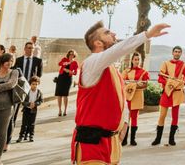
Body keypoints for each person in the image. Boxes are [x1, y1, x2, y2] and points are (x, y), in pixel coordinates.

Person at [71, 21, 169, 165]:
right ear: (98, 43)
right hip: (92, 143)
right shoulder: (92, 63)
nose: (114, 34)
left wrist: (124, 123)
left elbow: (120, 99)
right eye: (107, 33)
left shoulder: (112, 70)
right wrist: (147, 35)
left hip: (111, 142)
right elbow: (118, 50)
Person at [152, 46, 185, 147]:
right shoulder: (166, 63)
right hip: (167, 92)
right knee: (162, 116)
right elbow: (160, 78)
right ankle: (158, 138)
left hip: (177, 93)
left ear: (181, 53)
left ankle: (171, 139)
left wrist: (180, 82)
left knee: (175, 117)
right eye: (175, 51)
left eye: (179, 52)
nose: (177, 53)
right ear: (172, 53)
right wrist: (170, 83)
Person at [121, 52, 149, 146]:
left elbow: (145, 85)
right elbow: (122, 83)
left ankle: (133, 139)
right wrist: (136, 84)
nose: (137, 61)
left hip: (137, 96)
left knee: (134, 118)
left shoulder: (144, 72)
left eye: (138, 59)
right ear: (132, 60)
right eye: (135, 59)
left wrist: (131, 84)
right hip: (128, 96)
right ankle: (124, 139)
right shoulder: (126, 71)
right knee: (126, 118)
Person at [0, 53, 18, 164]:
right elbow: (6, 85)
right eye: (8, 60)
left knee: (2, 133)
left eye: (12, 61)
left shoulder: (14, 72)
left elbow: (11, 84)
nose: (10, 63)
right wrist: (2, 87)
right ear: (2, 61)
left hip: (7, 107)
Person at [16, 76, 43, 142]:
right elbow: (23, 101)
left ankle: (31, 136)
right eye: (33, 84)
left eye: (36, 84)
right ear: (30, 84)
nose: (35, 86)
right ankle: (21, 136)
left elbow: (41, 100)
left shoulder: (39, 92)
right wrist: (28, 104)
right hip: (26, 109)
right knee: (24, 123)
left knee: (32, 123)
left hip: (34, 110)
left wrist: (35, 104)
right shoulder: (27, 91)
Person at [55, 49, 78, 116]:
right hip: (61, 77)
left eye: (72, 54)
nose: (71, 55)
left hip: (68, 79)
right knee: (59, 94)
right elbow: (59, 64)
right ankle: (59, 110)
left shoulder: (75, 63)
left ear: (74, 55)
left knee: (65, 95)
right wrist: (66, 64)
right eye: (70, 54)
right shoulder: (64, 59)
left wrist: (70, 72)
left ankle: (65, 110)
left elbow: (75, 72)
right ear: (68, 54)